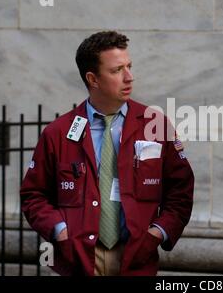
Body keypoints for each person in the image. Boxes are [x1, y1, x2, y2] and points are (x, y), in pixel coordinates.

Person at [20, 31, 194, 276]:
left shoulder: (155, 125)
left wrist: (156, 233)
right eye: (117, 71)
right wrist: (60, 231)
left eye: (129, 67)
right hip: (77, 261)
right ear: (93, 79)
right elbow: (33, 194)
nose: (129, 77)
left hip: (135, 260)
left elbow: (181, 190)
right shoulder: (58, 133)